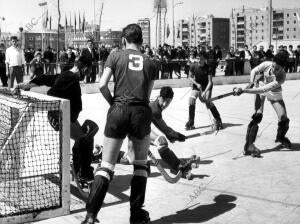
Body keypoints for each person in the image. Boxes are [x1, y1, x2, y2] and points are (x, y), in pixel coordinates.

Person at [82, 24, 157, 224]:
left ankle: (91, 215)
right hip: (140, 112)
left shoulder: (115, 56)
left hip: (118, 109)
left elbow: (102, 85)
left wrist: (113, 103)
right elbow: (147, 96)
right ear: (141, 41)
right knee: (140, 165)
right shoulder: (151, 62)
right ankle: (136, 215)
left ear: (124, 40)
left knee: (106, 165)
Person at [16, 55, 97, 181]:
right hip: (61, 117)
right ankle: (84, 173)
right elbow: (52, 94)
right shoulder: (70, 78)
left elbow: (45, 78)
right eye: (90, 71)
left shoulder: (66, 75)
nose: (89, 74)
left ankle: (79, 167)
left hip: (65, 116)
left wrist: (28, 84)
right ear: (85, 68)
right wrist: (30, 88)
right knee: (86, 137)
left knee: (86, 132)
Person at [94, 87, 191, 178]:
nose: (165, 104)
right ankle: (177, 166)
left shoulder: (155, 101)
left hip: (130, 121)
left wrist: (172, 135)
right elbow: (166, 130)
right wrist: (177, 136)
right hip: (132, 124)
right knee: (161, 141)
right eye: (164, 100)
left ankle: (103, 153)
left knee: (131, 158)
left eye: (168, 102)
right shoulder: (155, 108)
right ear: (160, 97)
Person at [233, 52, 291, 157]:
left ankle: (280, 137)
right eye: (274, 66)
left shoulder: (281, 77)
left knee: (284, 119)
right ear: (272, 62)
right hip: (260, 87)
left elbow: (265, 89)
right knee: (258, 115)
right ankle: (249, 145)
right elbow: (254, 71)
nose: (274, 69)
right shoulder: (267, 64)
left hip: (274, 92)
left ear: (282, 68)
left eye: (277, 69)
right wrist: (251, 82)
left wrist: (244, 90)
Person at [185, 52, 223, 131]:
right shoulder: (193, 66)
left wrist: (205, 92)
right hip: (197, 86)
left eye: (201, 59)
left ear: (205, 59)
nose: (199, 60)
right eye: (198, 58)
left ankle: (218, 119)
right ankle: (191, 122)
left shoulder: (208, 68)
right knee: (191, 100)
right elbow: (190, 77)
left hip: (207, 87)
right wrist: (196, 84)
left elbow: (210, 82)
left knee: (207, 102)